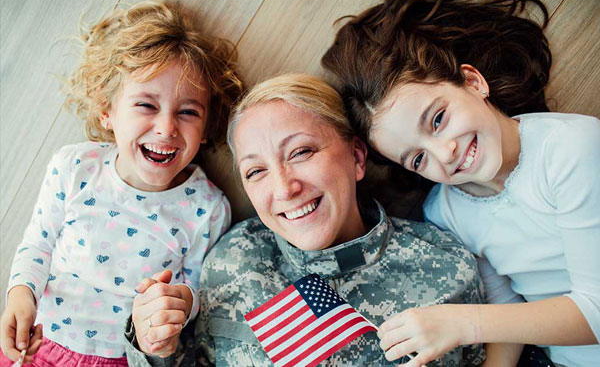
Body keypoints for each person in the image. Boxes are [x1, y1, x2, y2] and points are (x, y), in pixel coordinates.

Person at [124, 73, 488, 367]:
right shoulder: (236, 258)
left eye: (301, 152)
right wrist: (154, 345)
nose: (284, 188)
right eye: (255, 172)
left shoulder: (445, 267)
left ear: (358, 158)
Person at [321, 0, 600, 366]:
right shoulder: (445, 210)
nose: (445, 153)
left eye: (437, 120)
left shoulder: (569, 147)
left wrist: (465, 323)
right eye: (418, 158)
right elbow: (507, 306)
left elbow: (596, 310)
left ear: (472, 82)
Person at [0, 0, 242, 366]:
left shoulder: (206, 208)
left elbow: (194, 289)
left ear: (207, 128)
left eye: (188, 112)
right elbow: (38, 245)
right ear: (107, 110)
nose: (166, 128)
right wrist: (20, 296)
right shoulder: (75, 167)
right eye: (146, 105)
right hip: (41, 342)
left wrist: (175, 306)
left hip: (125, 357)